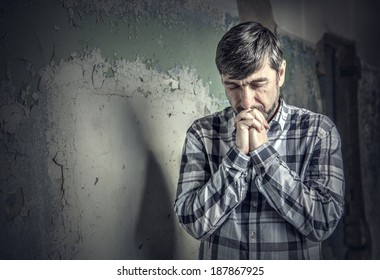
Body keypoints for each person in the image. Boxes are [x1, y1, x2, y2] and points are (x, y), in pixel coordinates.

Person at [174, 21, 345, 260]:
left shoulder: (319, 131)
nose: (246, 102)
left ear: (281, 73)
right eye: (233, 85)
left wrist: (264, 154)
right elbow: (193, 223)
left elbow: (323, 222)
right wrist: (238, 157)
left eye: (257, 84)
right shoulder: (202, 133)